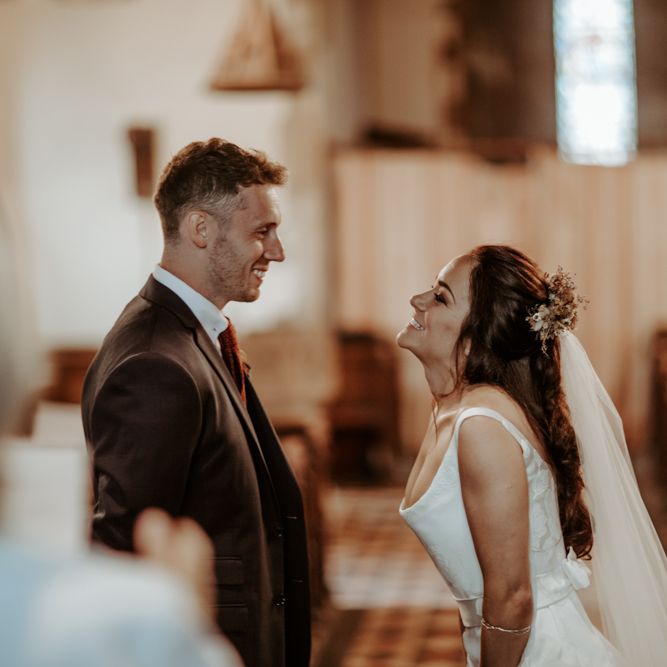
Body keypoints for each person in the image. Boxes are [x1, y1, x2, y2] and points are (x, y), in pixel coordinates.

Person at [82, 138, 311, 667]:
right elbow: (129, 552)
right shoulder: (154, 364)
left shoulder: (193, 335)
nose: (277, 251)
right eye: (261, 232)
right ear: (201, 229)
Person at [397, 244, 667, 666]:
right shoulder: (457, 407)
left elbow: (512, 597)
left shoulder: (481, 425)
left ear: (475, 339)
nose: (417, 300)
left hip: (541, 650)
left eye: (441, 296)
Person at [0, 200, 241, 666]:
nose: (276, 250)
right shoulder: (111, 625)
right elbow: (128, 523)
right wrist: (179, 612)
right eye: (261, 231)